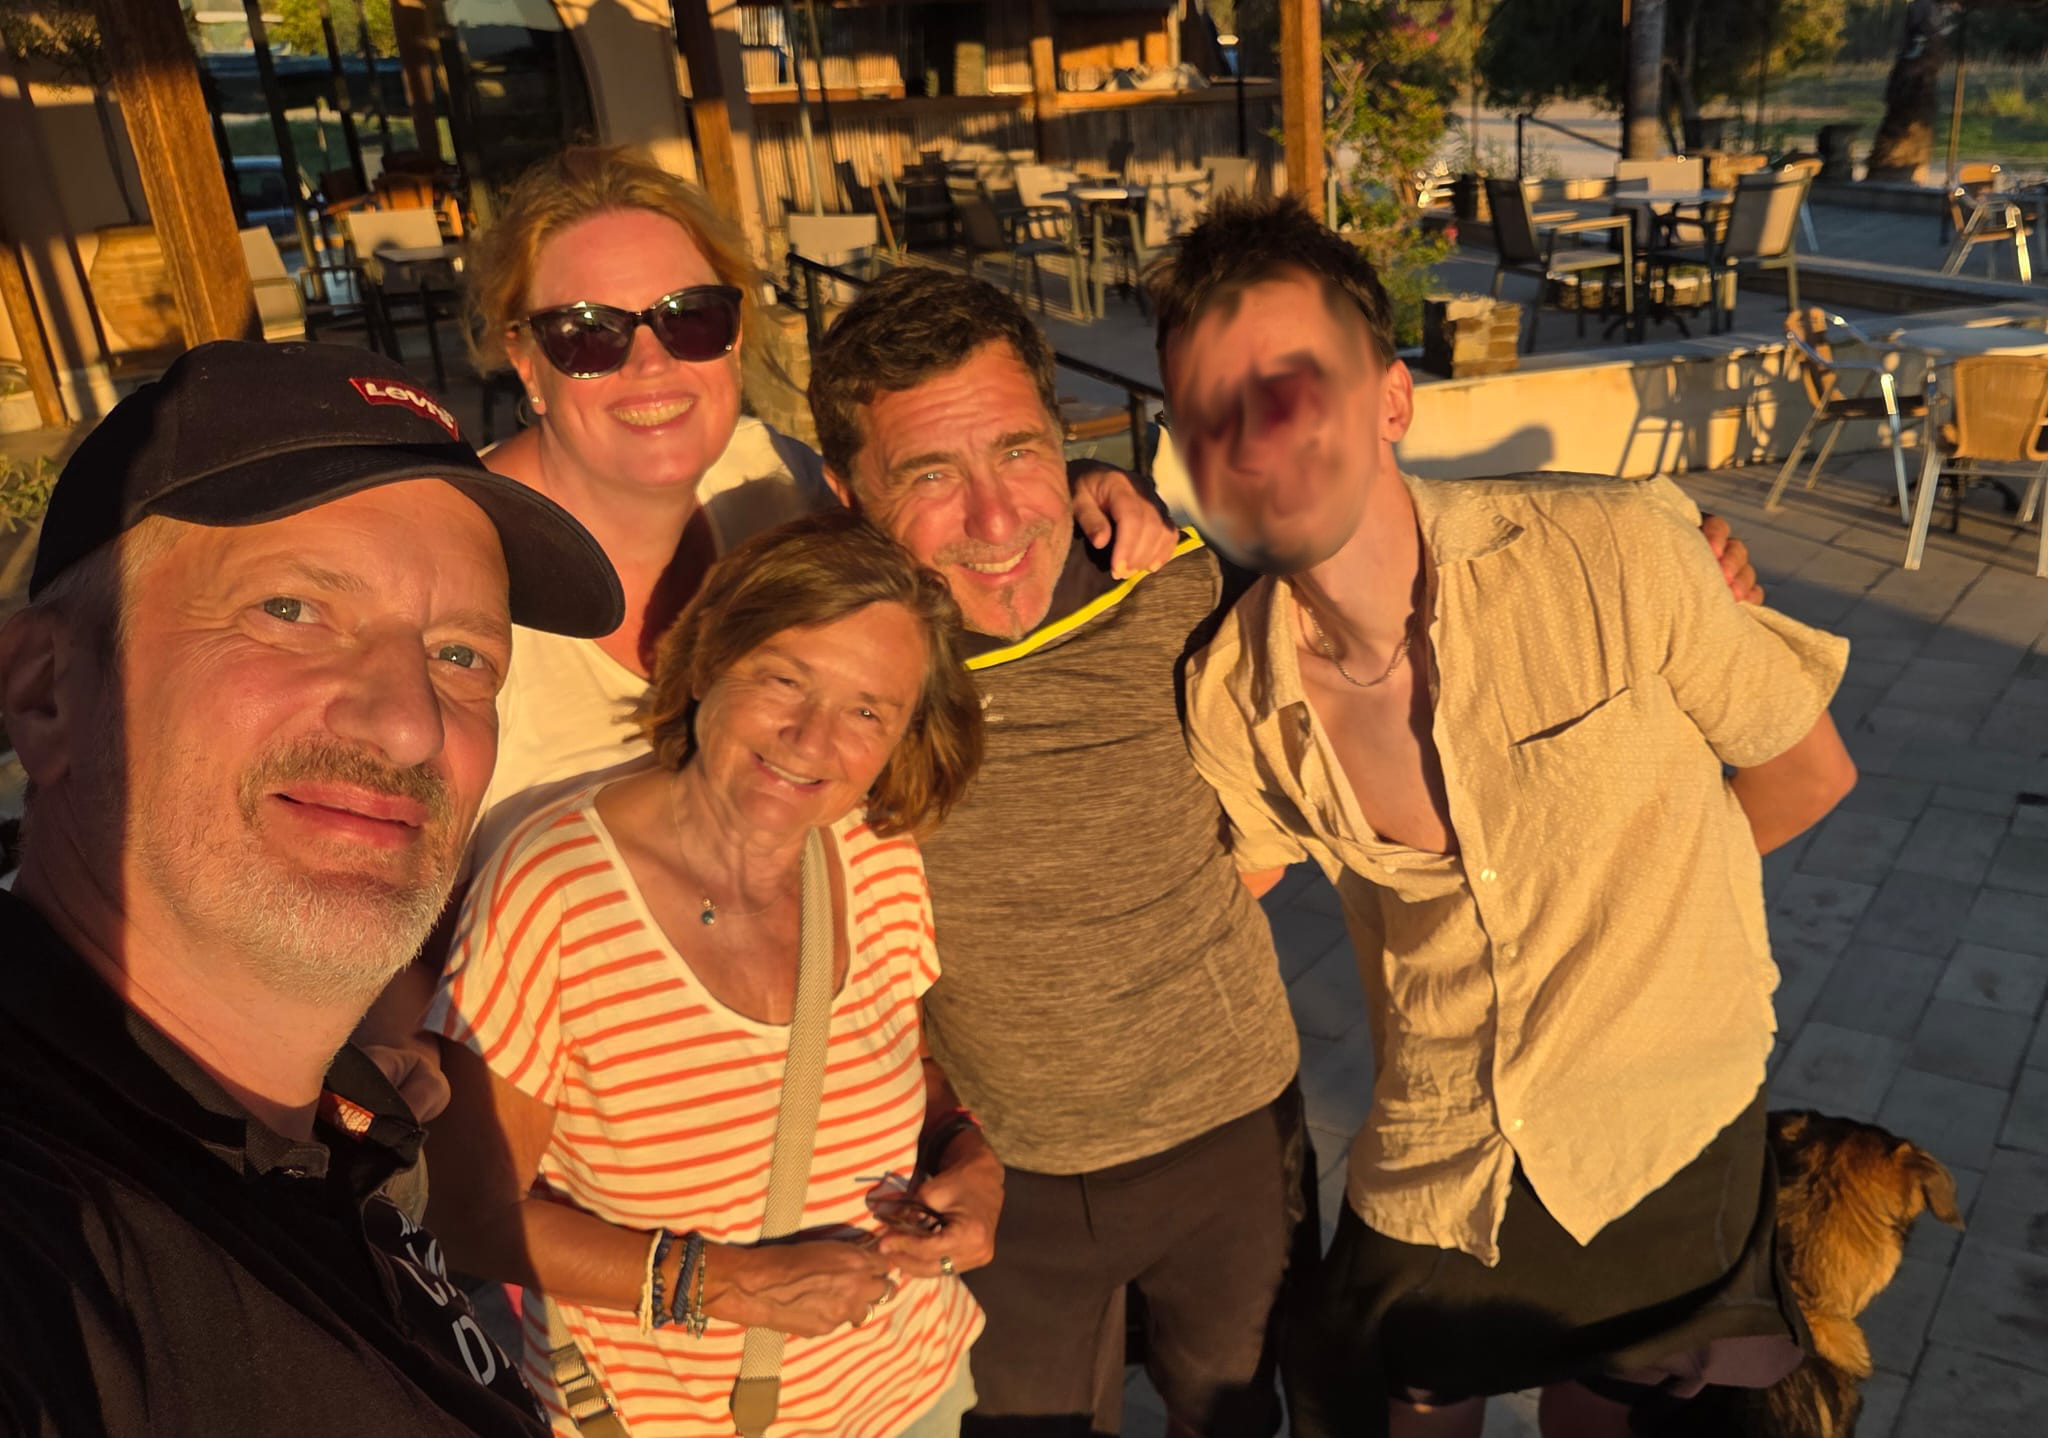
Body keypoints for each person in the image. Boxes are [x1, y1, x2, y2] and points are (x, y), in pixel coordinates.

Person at [805, 266, 1767, 1438]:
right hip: (1012, 1172)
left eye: (1018, 452)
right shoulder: (832, 670)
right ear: (842, 493)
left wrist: (1673, 553)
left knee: (1242, 1419)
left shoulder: (1178, 591)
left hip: (1231, 1147)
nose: (996, 519)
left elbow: (1377, 563)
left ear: (1066, 440)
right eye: (927, 475)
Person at [1158, 195, 1858, 1437]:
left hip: (1661, 1125)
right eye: (1213, 409)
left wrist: (1646, 904)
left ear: (1390, 398)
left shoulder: (1610, 552)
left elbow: (1804, 773)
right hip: (1438, 1153)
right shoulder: (1230, 695)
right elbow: (1217, 895)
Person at [360, 144, 1170, 1116]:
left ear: (734, 336)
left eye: (689, 317)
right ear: (526, 360)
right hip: (581, 1135)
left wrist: (1080, 487)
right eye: (587, 334)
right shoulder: (444, 572)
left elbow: (943, 512)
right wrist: (393, 1042)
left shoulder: (773, 487)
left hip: (820, 1105)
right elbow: (365, 872)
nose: (651, 363)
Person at [0, 340, 624, 1436]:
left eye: (461, 656)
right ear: (48, 690)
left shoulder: (335, 1138)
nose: (410, 723)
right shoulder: (53, 1238)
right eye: (290, 610)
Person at [423, 510, 995, 1437]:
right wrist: (727, 1285)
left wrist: (969, 1155)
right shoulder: (557, 889)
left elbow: (901, 1068)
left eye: (867, 712)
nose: (811, 739)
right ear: (705, 664)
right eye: (785, 679)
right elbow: (470, 1215)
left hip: (915, 1390)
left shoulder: (876, 854)